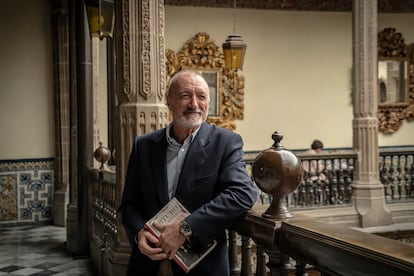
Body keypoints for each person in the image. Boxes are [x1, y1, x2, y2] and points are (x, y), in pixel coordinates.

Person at [119, 70, 258, 276]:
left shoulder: (225, 142)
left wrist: (186, 227)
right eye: (185, 96)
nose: (194, 104)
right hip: (148, 264)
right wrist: (139, 233)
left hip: (202, 266)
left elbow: (243, 194)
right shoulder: (144, 146)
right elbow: (128, 204)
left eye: (201, 97)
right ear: (169, 101)